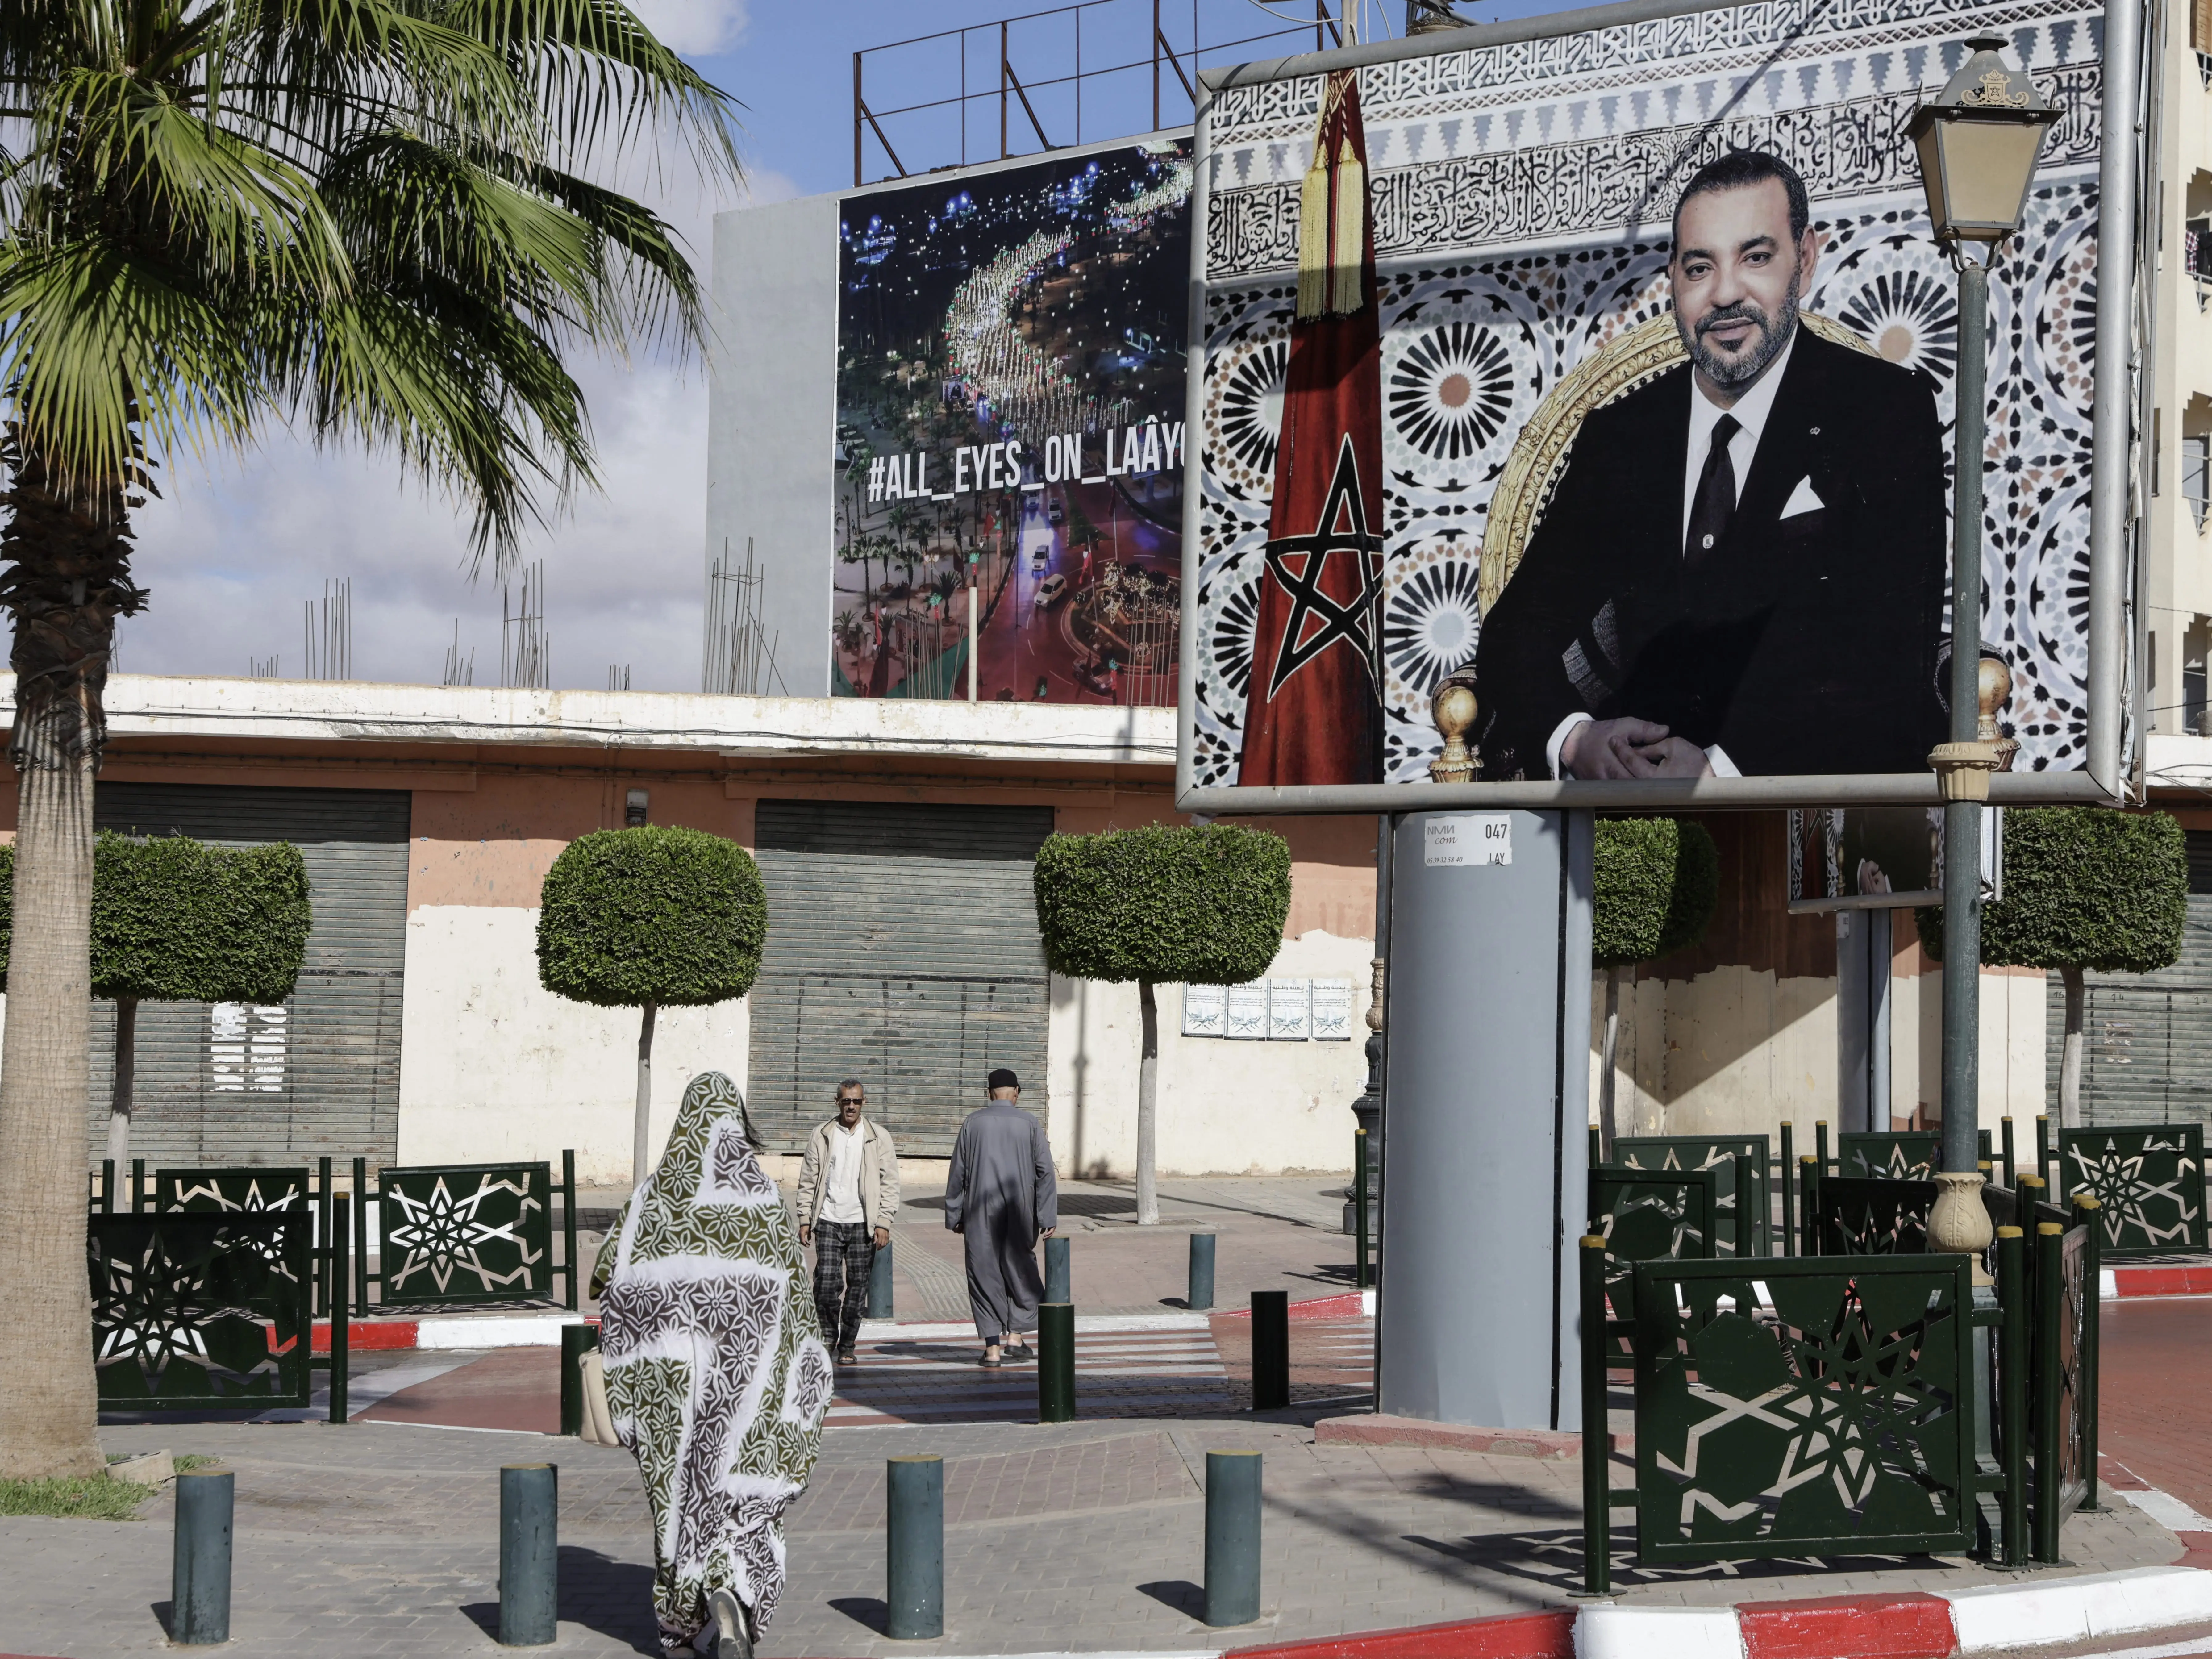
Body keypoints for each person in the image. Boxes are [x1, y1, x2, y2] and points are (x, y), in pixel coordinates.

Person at [1474, 148, 1947, 782]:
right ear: (1671, 277)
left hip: (1807, 808)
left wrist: (1722, 770)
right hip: (1635, 817)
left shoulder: (1882, 411)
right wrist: (1575, 738)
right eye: (1699, 267)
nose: (1725, 293)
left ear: (1803, 258)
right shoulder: (1622, 435)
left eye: (1755, 258)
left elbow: (1887, 648)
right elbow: (1516, 631)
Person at [592, 1072, 834, 1659]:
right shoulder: (764, 1203)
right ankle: (732, 1599)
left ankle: (688, 1615)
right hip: (746, 1393)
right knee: (740, 1498)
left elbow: (607, 1274)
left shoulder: (650, 1200)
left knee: (681, 1499)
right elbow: (793, 1304)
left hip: (667, 1392)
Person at [944, 1067, 1057, 1368]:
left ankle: (992, 1349)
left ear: (989, 1092)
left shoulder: (973, 1123)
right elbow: (1045, 1171)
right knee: (1021, 1269)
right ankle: (1016, 1337)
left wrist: (955, 1213)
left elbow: (959, 1172)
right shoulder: (1030, 1123)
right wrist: (1047, 1213)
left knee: (984, 1275)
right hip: (1021, 1211)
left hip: (980, 1211)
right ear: (1016, 1092)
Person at [794, 1077, 900, 1367]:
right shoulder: (822, 1134)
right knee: (826, 1284)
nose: (851, 1106)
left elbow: (889, 1182)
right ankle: (828, 1336)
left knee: (858, 1288)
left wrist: (884, 1222)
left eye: (856, 1101)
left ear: (864, 1102)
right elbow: (808, 1179)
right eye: (846, 1101)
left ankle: (848, 1343)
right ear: (837, 1102)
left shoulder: (879, 1137)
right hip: (828, 1219)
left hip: (862, 1223)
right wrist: (805, 1218)